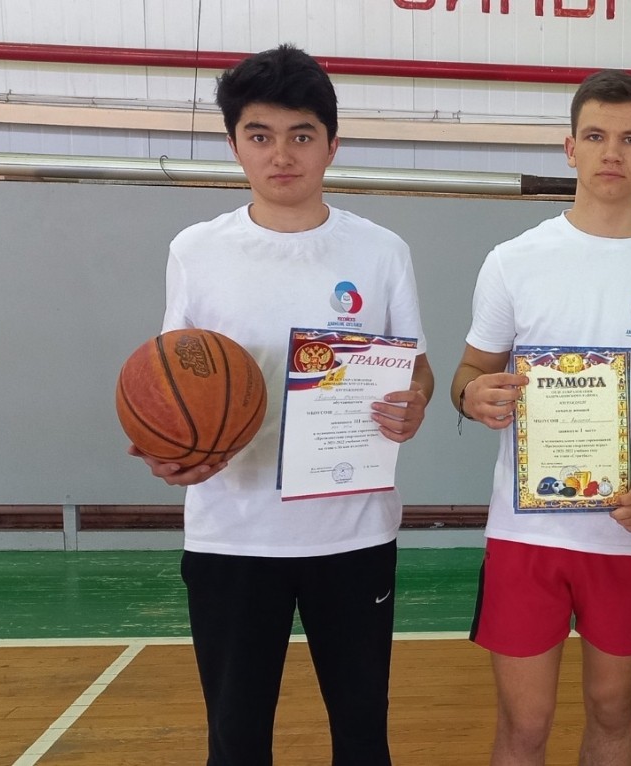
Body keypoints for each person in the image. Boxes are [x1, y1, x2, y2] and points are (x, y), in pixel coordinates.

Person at [130, 44, 435, 765]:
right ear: (234, 143)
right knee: (236, 745)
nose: (281, 154)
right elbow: (173, 382)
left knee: (363, 739)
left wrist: (415, 402)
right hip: (232, 534)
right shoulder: (196, 249)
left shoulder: (381, 250)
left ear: (332, 143)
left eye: (301, 135)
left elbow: (416, 368)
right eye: (260, 135)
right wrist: (169, 448)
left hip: (352, 531)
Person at [450, 69, 631, 765]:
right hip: (525, 532)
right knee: (525, 723)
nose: (612, 152)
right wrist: (473, 397)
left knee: (611, 711)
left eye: (630, 139)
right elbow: (468, 373)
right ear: (570, 148)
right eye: (596, 136)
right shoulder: (513, 262)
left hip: (625, 530)